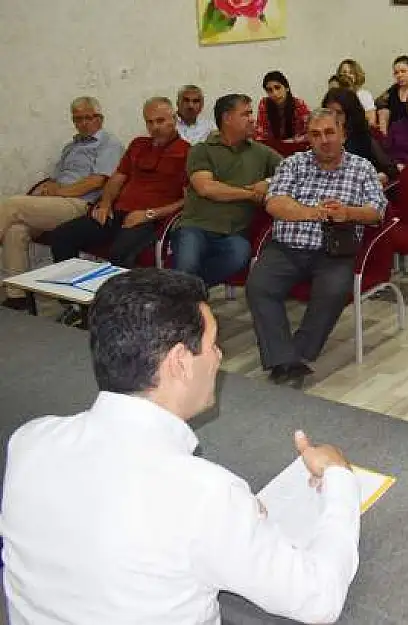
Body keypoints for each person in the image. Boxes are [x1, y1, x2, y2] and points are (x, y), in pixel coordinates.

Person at [0, 268, 361, 623]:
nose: (219, 357)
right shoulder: (206, 495)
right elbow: (319, 598)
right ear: (180, 363)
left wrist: (235, 520)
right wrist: (338, 478)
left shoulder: (31, 440)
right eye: (213, 345)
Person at [247, 109, 386, 387]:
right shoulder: (293, 164)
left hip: (333, 252)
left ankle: (293, 356)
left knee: (333, 290)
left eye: (330, 133)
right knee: (258, 286)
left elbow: (377, 211)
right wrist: (313, 212)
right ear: (307, 139)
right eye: (316, 134)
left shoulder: (362, 168)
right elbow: (274, 203)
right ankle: (286, 360)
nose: (324, 140)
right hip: (285, 247)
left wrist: (348, 212)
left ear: (343, 134)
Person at [0, 96, 123, 310]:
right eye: (78, 119)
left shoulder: (109, 144)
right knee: (15, 230)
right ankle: (17, 298)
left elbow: (98, 180)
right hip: (56, 202)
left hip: (79, 204)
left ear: (100, 119)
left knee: (12, 205)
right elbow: (55, 179)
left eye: (88, 118)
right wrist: (43, 192)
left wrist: (61, 191)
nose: (83, 123)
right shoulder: (71, 147)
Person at [50, 97, 189, 281]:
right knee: (62, 236)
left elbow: (189, 200)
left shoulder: (188, 152)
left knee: (119, 255)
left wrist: (149, 214)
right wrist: (106, 203)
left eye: (160, 121)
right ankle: (75, 302)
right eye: (149, 122)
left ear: (174, 119)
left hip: (151, 220)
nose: (155, 126)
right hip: (117, 213)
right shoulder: (139, 145)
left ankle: (119, 305)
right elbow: (117, 178)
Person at [172, 93, 282, 288]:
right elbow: (206, 188)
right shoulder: (202, 150)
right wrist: (250, 194)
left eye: (251, 113)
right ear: (227, 118)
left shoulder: (260, 152)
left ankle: (190, 293)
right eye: (246, 114)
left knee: (239, 256)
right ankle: (187, 298)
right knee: (186, 266)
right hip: (196, 226)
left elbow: (293, 170)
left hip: (234, 232)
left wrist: (268, 181)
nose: (252, 119)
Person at [321, 87, 399, 183]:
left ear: (349, 113)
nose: (333, 117)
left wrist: (377, 177)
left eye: (339, 113)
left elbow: (391, 170)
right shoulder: (320, 138)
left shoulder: (363, 137)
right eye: (329, 112)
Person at [255, 71, 310, 142]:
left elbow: (309, 133)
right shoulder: (264, 104)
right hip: (272, 147)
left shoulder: (299, 104)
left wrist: (292, 141)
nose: (275, 93)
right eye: (269, 90)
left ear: (287, 88)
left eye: (277, 88)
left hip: (295, 145)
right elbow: (261, 133)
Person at [376, 56, 408, 135]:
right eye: (396, 73)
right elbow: (380, 105)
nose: (399, 75)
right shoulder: (392, 91)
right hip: (394, 135)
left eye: (403, 71)